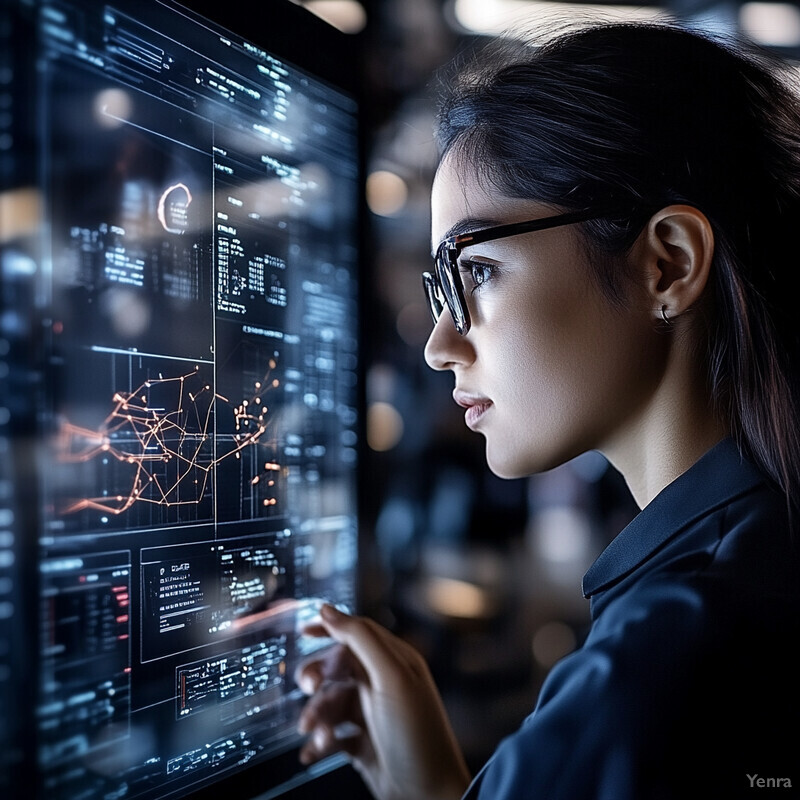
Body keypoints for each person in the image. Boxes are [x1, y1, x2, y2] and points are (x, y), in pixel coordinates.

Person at [294, 19, 800, 799]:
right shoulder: (761, 555)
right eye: (439, 290)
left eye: (480, 272)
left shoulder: (656, 668)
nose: (438, 344)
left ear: (669, 263)